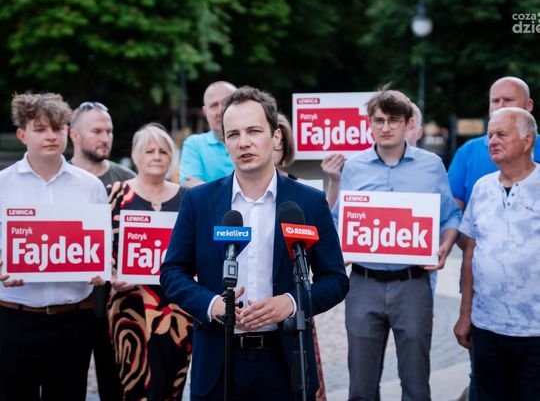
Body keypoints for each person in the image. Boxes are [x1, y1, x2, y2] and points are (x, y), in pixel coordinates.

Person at [160, 86, 349, 400]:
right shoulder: (198, 201)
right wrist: (212, 304)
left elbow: (336, 280)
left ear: (275, 137)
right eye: (233, 134)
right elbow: (172, 273)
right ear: (225, 143)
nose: (243, 142)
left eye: (254, 131)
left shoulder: (308, 202)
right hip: (218, 361)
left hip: (284, 358)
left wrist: (290, 303)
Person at [333, 89, 461, 401]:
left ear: (409, 123)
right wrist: (341, 247)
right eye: (379, 120)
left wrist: (445, 247)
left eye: (394, 120)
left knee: (416, 385)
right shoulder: (354, 167)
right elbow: (338, 219)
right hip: (363, 282)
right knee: (361, 387)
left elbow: (451, 216)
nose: (386, 127)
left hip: (413, 283)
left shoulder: (431, 165)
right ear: (369, 124)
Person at [0, 92, 106, 401]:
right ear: (22, 135)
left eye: (58, 128)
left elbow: (101, 247)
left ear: (67, 132)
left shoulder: (90, 186)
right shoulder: (2, 184)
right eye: (40, 129)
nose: (51, 136)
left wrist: (100, 269)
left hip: (72, 320)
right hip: (13, 319)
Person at [453, 107, 540, 400]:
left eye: (501, 134)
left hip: (535, 331)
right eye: (490, 135)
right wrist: (465, 315)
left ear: (527, 141)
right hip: (487, 327)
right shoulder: (482, 188)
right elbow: (470, 255)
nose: (492, 141)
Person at [107, 124, 193, 401]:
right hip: (129, 303)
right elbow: (98, 245)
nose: (157, 156)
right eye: (149, 151)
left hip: (177, 306)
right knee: (134, 385)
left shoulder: (188, 198)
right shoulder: (114, 194)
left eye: (163, 151)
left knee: (173, 384)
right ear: (135, 155)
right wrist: (111, 273)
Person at [70, 100, 135, 401]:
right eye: (96, 131)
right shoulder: (59, 180)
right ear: (74, 135)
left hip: (117, 302)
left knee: (115, 387)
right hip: (72, 303)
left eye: (108, 131)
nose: (106, 137)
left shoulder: (128, 180)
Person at [273, 112, 327, 401]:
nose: (272, 147)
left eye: (278, 142)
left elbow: (323, 226)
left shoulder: (305, 193)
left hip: (295, 312)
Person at [448, 76, 540, 211]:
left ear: (529, 105)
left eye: (508, 100)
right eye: (495, 101)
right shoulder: (468, 151)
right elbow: (453, 206)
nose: (500, 106)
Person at [322, 100, 424, 209]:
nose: (391, 130)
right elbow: (337, 215)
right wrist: (335, 181)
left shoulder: (430, 167)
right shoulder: (355, 166)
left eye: (396, 122)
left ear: (418, 132)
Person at [179, 81, 237, 186]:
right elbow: (191, 188)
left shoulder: (251, 141)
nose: (220, 111)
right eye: (214, 105)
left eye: (226, 103)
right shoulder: (194, 144)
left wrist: (206, 187)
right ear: (205, 112)